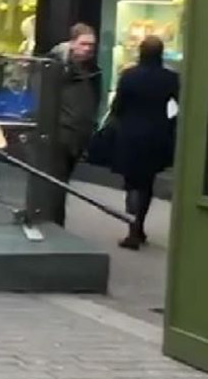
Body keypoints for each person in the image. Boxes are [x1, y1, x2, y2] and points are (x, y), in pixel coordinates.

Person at [109, 35, 179, 249]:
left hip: (130, 132)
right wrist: (170, 123)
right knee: (147, 181)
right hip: (157, 133)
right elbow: (179, 104)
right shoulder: (170, 78)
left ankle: (132, 214)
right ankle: (137, 225)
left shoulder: (129, 75)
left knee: (132, 176)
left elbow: (118, 106)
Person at [47, 23, 102, 226]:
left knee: (62, 180)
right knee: (57, 181)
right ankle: (55, 221)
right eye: (83, 44)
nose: (87, 49)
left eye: (91, 45)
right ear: (72, 43)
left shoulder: (93, 70)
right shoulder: (57, 65)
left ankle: (55, 220)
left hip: (78, 134)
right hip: (61, 132)